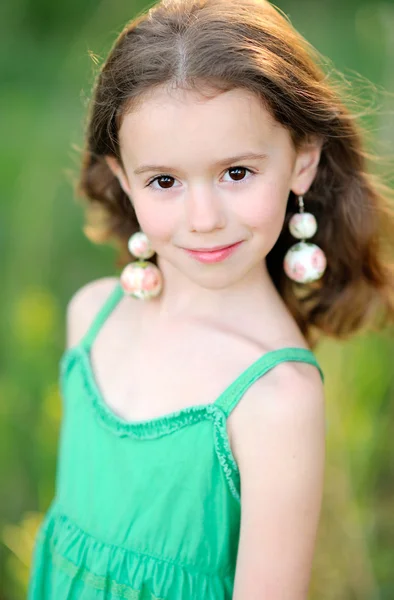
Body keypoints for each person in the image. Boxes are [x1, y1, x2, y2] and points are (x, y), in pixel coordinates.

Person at [28, 0, 394, 598]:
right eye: (164, 181)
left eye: (237, 173)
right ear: (124, 179)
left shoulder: (275, 397)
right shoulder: (91, 316)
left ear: (302, 160)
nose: (203, 219)